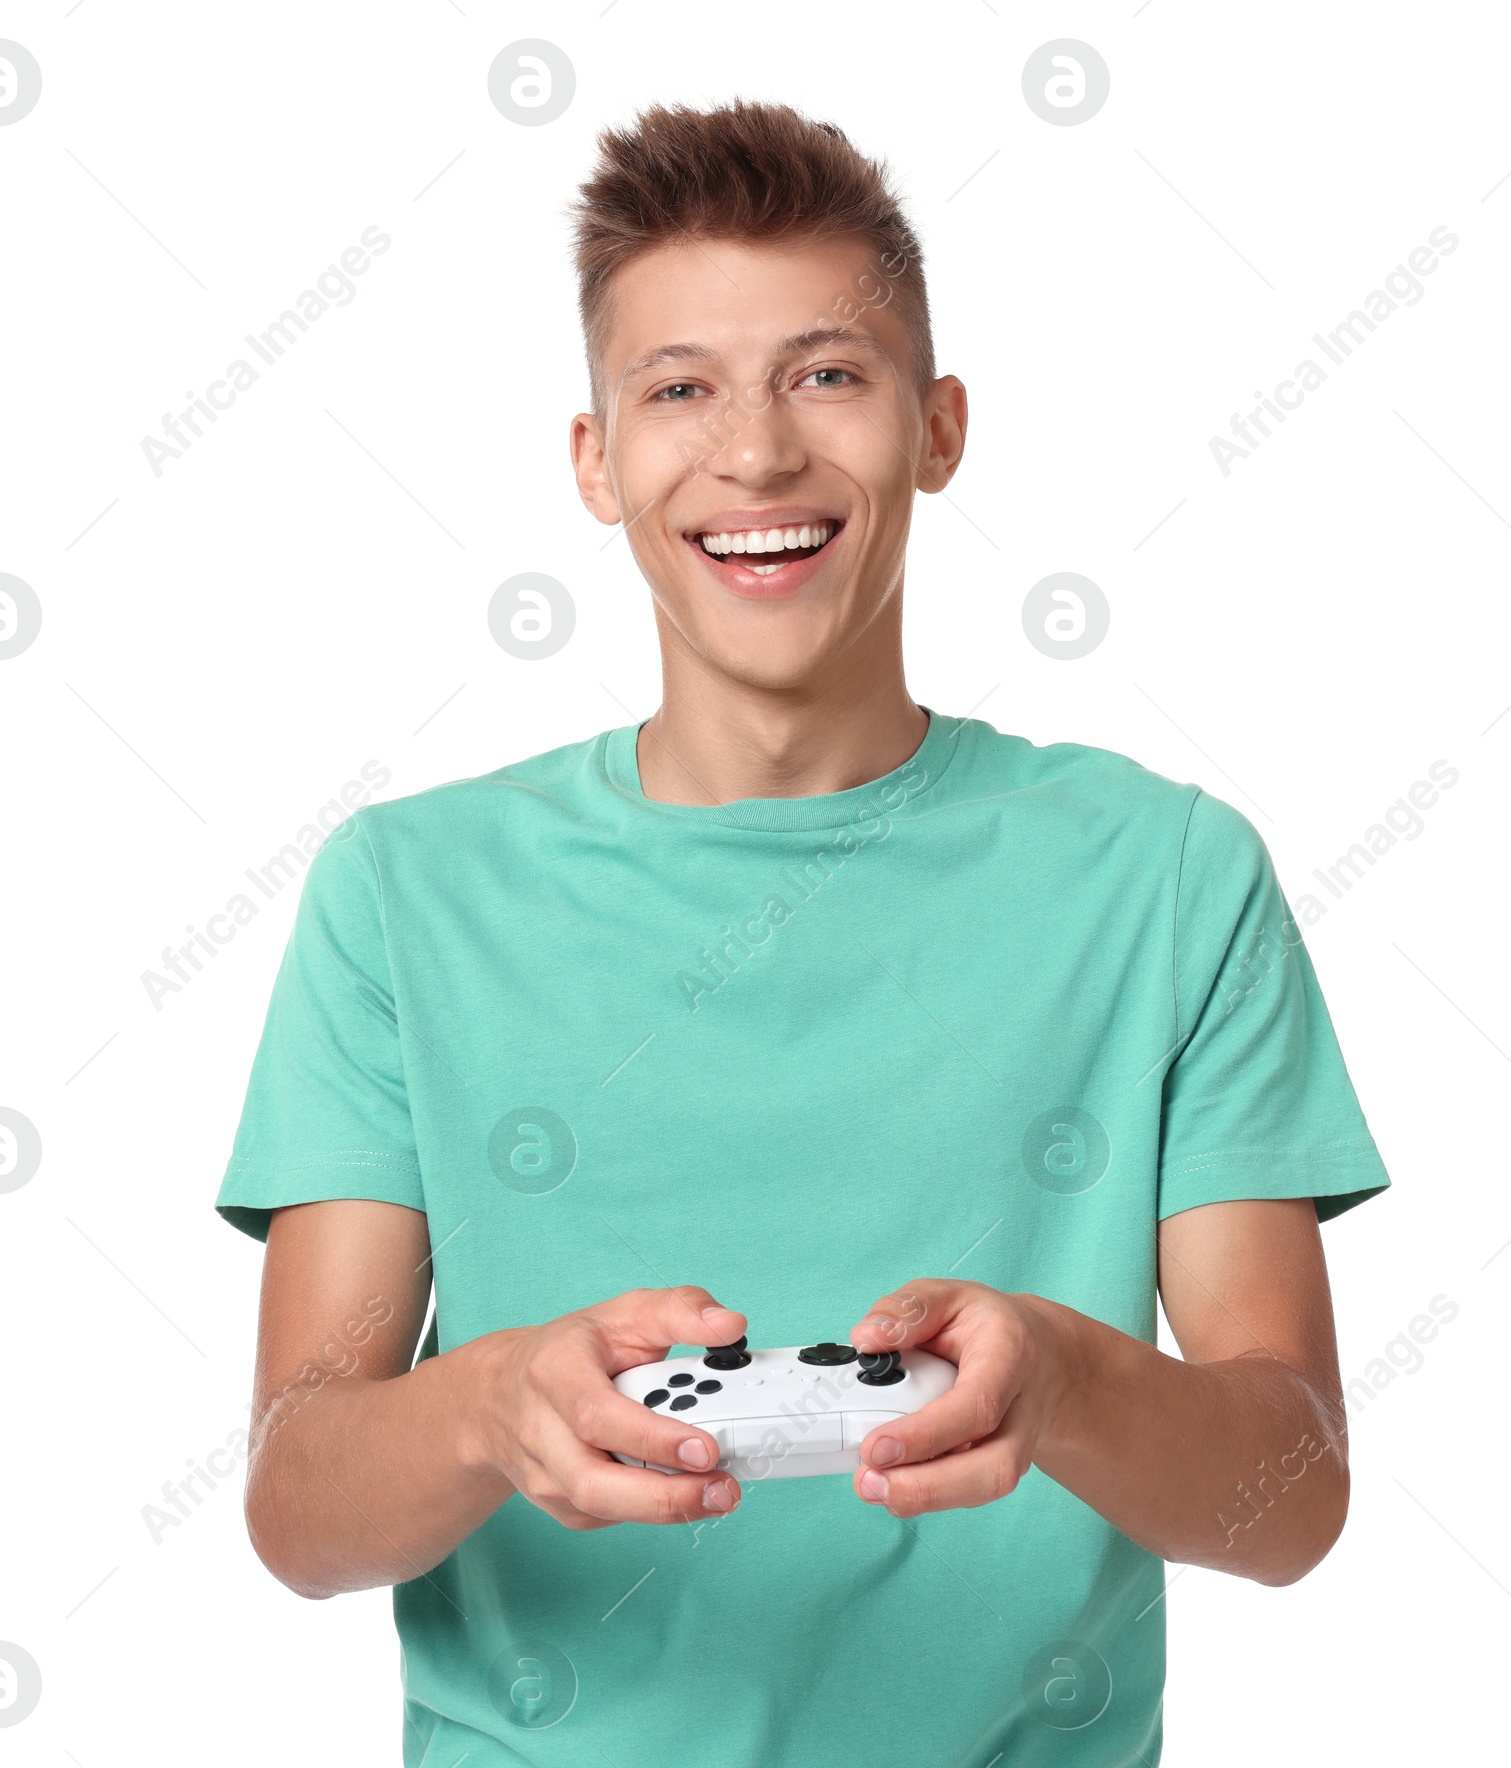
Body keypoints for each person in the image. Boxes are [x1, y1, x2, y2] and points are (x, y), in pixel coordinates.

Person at [218, 100, 1390, 1767]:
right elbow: (295, 1504)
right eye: (679, 387)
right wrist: (490, 1408)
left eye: (828, 373)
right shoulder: (403, 894)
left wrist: (1066, 1380)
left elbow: (1293, 1499)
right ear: (594, 458)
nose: (756, 454)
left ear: (940, 427)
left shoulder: (1169, 877)